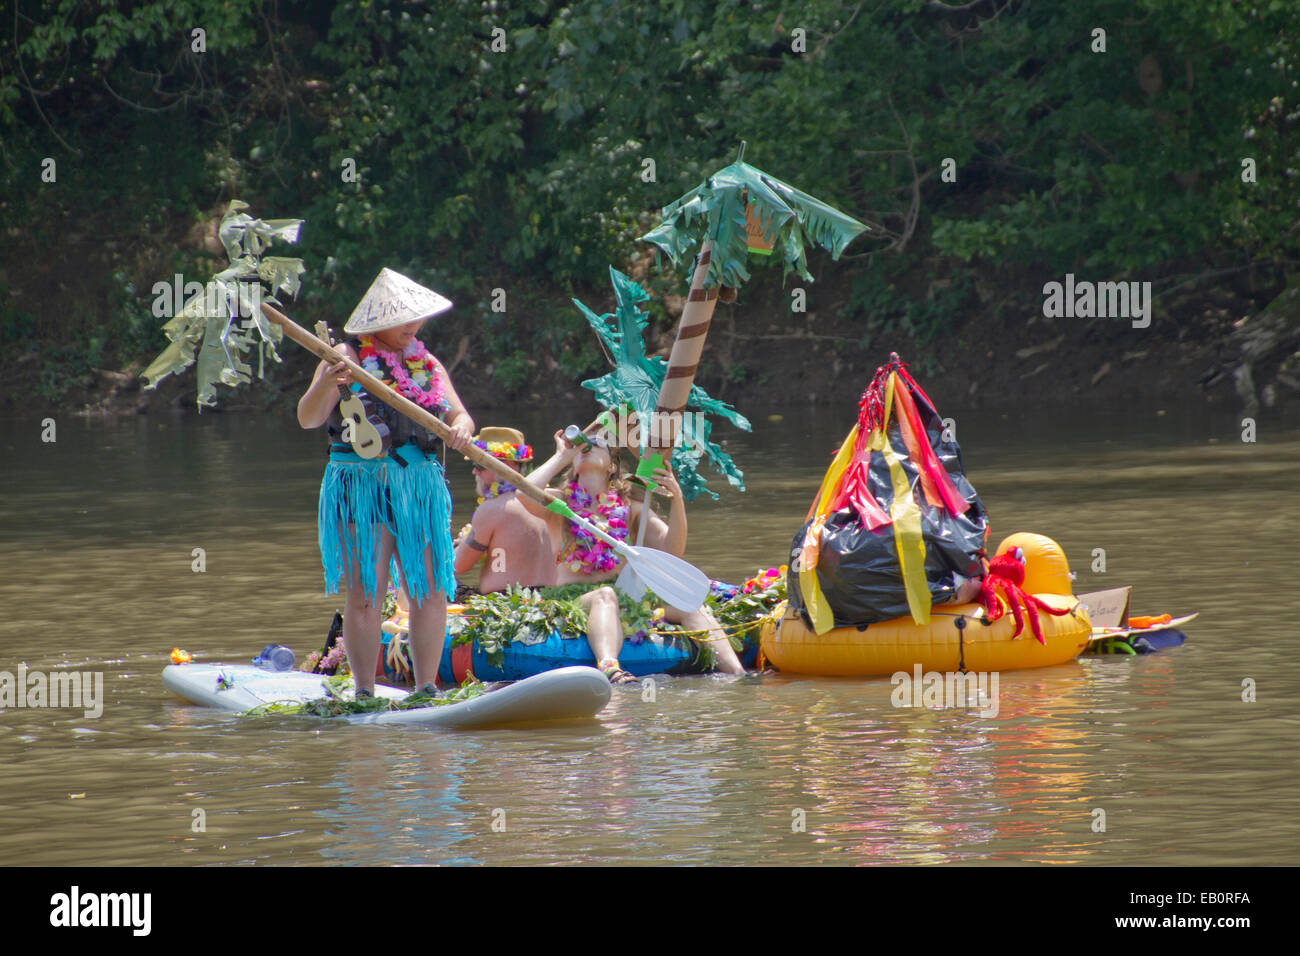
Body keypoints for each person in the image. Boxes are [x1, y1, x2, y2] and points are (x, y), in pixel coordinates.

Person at [296, 268, 474, 698]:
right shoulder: (345, 355)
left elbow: (459, 414)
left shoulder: (426, 363)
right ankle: (363, 692)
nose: (413, 327)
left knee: (430, 590)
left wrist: (463, 428)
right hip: (364, 485)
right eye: (403, 319)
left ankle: (427, 688)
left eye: (417, 319)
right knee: (366, 593)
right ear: (376, 320)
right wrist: (326, 382)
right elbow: (308, 417)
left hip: (419, 485)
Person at [519, 425, 745, 683]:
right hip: (576, 601)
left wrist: (677, 498)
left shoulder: (630, 509)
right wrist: (561, 456)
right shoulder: (559, 504)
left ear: (611, 466)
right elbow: (522, 493)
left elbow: (673, 551)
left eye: (597, 444)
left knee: (689, 605)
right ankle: (610, 668)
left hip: (629, 598)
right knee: (606, 595)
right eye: (583, 445)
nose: (587, 447)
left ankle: (736, 676)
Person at [452, 427, 557, 593]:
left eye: (479, 465)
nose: (474, 471)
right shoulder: (549, 501)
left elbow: (458, 565)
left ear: (507, 465)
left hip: (508, 607)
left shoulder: (493, 508)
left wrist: (460, 544)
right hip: (549, 601)